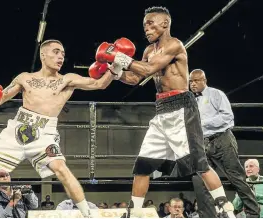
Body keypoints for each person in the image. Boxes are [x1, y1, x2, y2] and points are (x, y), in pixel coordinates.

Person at [0, 39, 116, 218]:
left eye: (63, 54)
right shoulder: (24, 78)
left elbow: (99, 84)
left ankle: (87, 214)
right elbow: (1, 98)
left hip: (45, 132)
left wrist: (116, 66)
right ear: (43, 54)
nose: (60, 57)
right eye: (56, 52)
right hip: (18, 128)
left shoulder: (67, 79)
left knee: (61, 169)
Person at [95, 6, 235, 217]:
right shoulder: (149, 51)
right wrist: (113, 71)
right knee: (143, 165)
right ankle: (134, 213)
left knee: (200, 164)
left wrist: (117, 56)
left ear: (165, 23)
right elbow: (135, 77)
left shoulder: (174, 45)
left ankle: (224, 208)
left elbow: (149, 70)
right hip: (161, 110)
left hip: (181, 107)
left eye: (151, 23)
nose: (146, 29)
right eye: (144, 25)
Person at [190, 69, 260, 218]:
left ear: (205, 81)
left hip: (222, 139)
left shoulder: (216, 94)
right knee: (201, 181)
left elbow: (227, 117)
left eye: (196, 81)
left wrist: (203, 123)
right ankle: (207, 215)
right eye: (191, 81)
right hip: (203, 144)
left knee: (237, 178)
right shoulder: (192, 100)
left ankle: (253, 213)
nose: (193, 84)